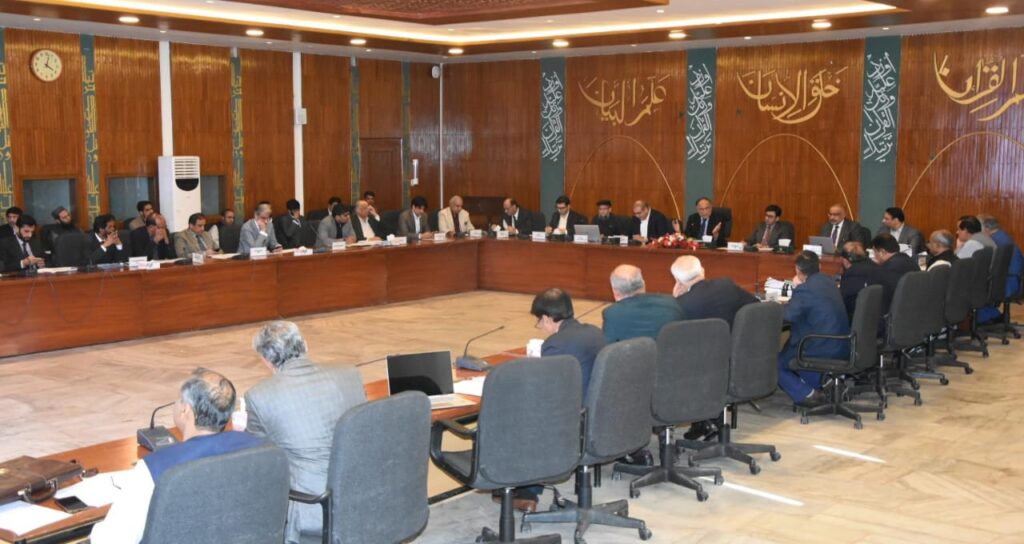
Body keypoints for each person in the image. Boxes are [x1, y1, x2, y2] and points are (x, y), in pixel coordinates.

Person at [90, 368, 264, 544]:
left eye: (179, 400)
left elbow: (110, 540)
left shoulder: (155, 468)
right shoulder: (259, 448)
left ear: (185, 410)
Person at [245, 321, 366, 544]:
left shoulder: (259, 396)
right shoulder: (350, 373)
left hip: (314, 508)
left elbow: (257, 454)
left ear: (265, 361)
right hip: (365, 491)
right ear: (306, 345)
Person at [777, 251, 850, 407]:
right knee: (791, 349)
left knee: (773, 361)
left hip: (820, 346)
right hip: (842, 344)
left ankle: (808, 394)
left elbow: (787, 316)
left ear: (798, 270)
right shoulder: (829, 282)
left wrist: (774, 307)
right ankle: (826, 382)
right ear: (819, 266)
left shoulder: (805, 289)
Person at [670, 255, 758, 328]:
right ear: (702, 271)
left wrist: (675, 300)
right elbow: (755, 305)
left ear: (677, 280)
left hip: (701, 343)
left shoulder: (681, 304)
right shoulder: (726, 285)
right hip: (735, 341)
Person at [602, 264, 682, 342]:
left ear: (614, 290)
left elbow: (608, 347)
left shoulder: (612, 314)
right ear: (643, 284)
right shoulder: (671, 302)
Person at [977, 214, 1024, 323]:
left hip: (1007, 282)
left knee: (973, 288)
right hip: (1014, 279)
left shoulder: (994, 241)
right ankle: (993, 315)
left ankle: (983, 319)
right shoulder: (1002, 236)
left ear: (986, 228)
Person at [872, 233, 919, 311]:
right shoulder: (911, 261)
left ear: (882, 252)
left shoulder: (886, 270)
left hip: (896, 312)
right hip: (915, 308)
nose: (874, 256)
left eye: (874, 252)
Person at [838, 241, 881, 320]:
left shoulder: (852, 273)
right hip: (874, 316)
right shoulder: (875, 266)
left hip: (853, 317)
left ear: (845, 260)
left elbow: (842, 301)